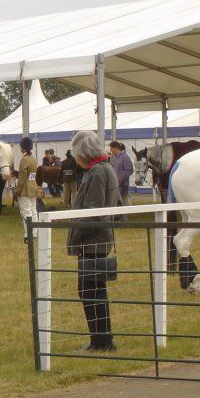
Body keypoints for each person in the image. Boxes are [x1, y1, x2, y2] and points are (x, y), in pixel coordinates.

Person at [67, 131, 123, 352]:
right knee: (94, 291)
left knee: (90, 292)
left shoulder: (98, 172)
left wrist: (76, 230)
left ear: (83, 153)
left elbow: (94, 213)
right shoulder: (105, 169)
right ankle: (102, 340)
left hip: (93, 242)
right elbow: (116, 206)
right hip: (99, 241)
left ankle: (101, 341)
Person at [14, 137, 40, 244]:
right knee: (33, 211)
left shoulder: (24, 160)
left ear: (23, 148)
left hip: (25, 188)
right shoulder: (33, 159)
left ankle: (28, 235)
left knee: (26, 212)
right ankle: (34, 233)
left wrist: (16, 191)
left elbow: (22, 178)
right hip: (33, 187)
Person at [109, 140, 134, 208]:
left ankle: (123, 217)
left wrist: (120, 179)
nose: (110, 150)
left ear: (116, 148)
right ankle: (117, 216)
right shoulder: (113, 157)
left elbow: (129, 170)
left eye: (111, 148)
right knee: (115, 203)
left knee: (122, 204)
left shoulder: (125, 157)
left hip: (122, 186)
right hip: (114, 184)